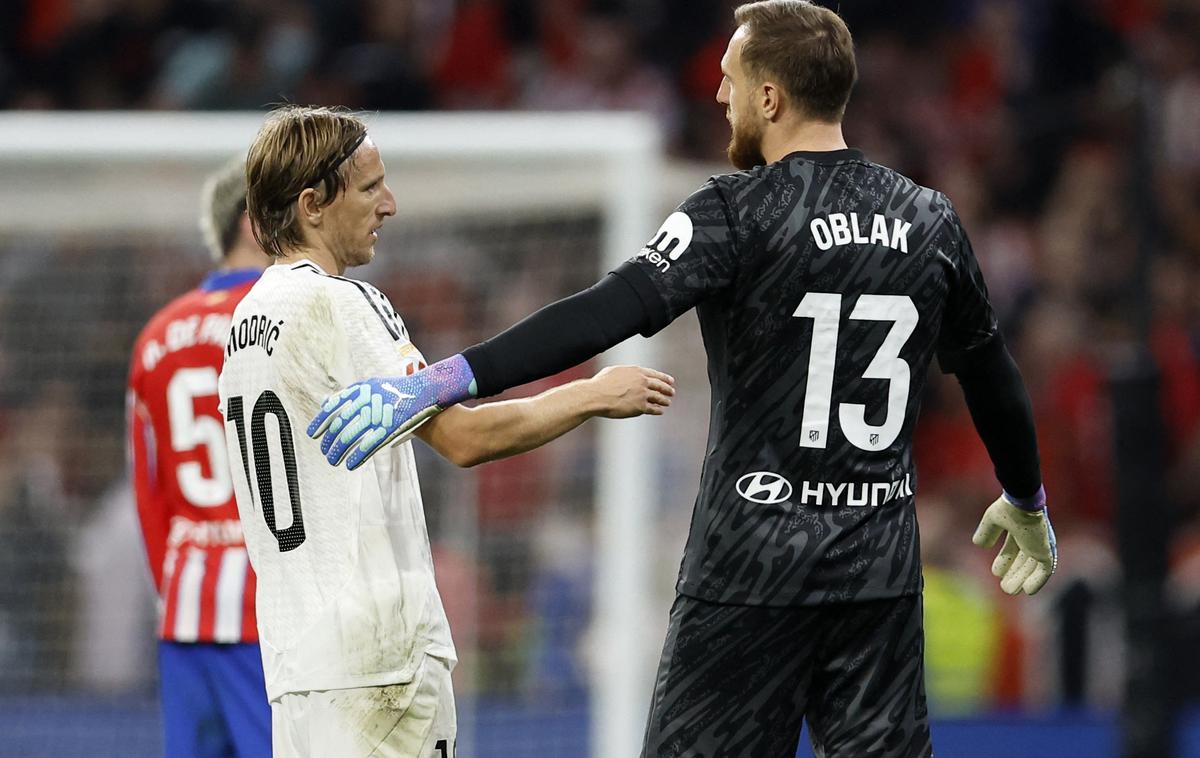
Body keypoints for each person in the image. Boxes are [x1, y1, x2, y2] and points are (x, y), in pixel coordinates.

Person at [309, 2, 1059, 756]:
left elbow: (607, 312)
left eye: (731, 78)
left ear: (771, 97)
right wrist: (1025, 496)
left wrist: (444, 379)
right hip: (877, 577)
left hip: (749, 574)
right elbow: (991, 373)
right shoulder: (930, 218)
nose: (718, 95)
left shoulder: (739, 212)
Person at [217, 104, 674, 758]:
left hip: (297, 664)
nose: (390, 204)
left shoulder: (244, 324)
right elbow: (464, 440)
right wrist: (591, 395)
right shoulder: (343, 303)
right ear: (313, 204)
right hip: (381, 662)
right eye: (371, 187)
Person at [127, 158, 272, 758]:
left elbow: (146, 486)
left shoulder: (155, 336)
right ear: (254, 224)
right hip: (267, 611)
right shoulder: (281, 322)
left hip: (187, 605)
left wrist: (176, 583)